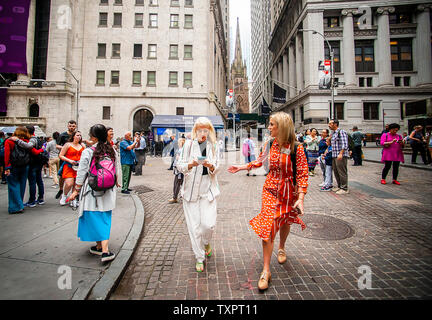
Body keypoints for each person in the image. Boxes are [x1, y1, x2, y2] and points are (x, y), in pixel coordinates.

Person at [228, 112, 308, 291]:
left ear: (282, 126)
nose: (269, 127)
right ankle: (266, 271)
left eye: (272, 124)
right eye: (269, 124)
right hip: (270, 190)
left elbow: (302, 174)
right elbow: (259, 161)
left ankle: (281, 247)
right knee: (268, 226)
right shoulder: (270, 144)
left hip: (289, 193)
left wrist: (301, 198)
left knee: (285, 219)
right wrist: (241, 167)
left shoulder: (297, 148)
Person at [68, 124, 119, 263]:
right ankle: (98, 246)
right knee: (104, 217)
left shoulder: (88, 151)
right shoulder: (112, 150)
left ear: (94, 137)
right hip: (108, 189)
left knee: (95, 217)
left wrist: (76, 190)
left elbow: (81, 173)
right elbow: (116, 170)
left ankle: (105, 251)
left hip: (91, 190)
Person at [177, 117, 220, 273]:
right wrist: (191, 164)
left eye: (205, 129)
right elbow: (179, 165)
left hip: (207, 189)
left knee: (208, 225)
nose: (203, 132)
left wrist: (210, 165)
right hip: (190, 192)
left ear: (209, 130)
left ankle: (207, 242)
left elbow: (218, 167)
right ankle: (199, 257)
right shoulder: (188, 145)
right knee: (194, 227)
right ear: (195, 130)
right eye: (200, 129)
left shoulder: (214, 146)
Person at [4, 127, 43, 214]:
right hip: (25, 166)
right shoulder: (26, 142)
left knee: (13, 186)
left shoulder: (9, 141)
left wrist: (7, 167)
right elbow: (35, 152)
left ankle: (16, 207)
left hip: (13, 166)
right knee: (22, 186)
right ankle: (20, 204)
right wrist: (43, 149)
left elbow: (7, 155)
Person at [58, 131, 85, 206]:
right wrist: (69, 160)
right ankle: (64, 195)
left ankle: (73, 198)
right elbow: (61, 155)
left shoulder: (82, 145)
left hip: (79, 167)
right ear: (73, 136)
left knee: (76, 184)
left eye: (80, 135)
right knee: (69, 183)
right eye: (77, 135)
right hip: (69, 166)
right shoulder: (68, 144)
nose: (79, 137)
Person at [55, 120, 77, 200]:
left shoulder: (77, 135)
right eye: (70, 126)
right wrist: (66, 148)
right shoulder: (62, 135)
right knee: (62, 175)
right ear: (68, 126)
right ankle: (61, 189)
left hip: (74, 159)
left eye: (73, 126)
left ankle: (72, 193)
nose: (72, 127)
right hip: (64, 158)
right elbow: (57, 145)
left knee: (74, 176)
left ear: (75, 127)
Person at [25, 125, 46, 207]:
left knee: (32, 182)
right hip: (38, 162)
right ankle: (40, 198)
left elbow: (33, 151)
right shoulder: (38, 139)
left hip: (33, 163)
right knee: (39, 180)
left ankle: (32, 200)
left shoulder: (32, 140)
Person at [329, 119, 349, 195]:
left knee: (342, 171)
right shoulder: (333, 133)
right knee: (336, 171)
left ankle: (344, 188)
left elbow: (345, 144)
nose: (329, 125)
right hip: (334, 155)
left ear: (335, 124)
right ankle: (339, 186)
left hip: (340, 155)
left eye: (330, 123)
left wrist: (341, 153)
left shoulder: (341, 132)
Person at [168, 137, 186, 204]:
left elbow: (179, 160)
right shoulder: (181, 149)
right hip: (178, 169)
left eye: (179, 142)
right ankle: (182, 195)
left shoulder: (181, 150)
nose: (178, 143)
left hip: (179, 170)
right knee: (181, 183)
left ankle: (175, 197)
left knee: (177, 184)